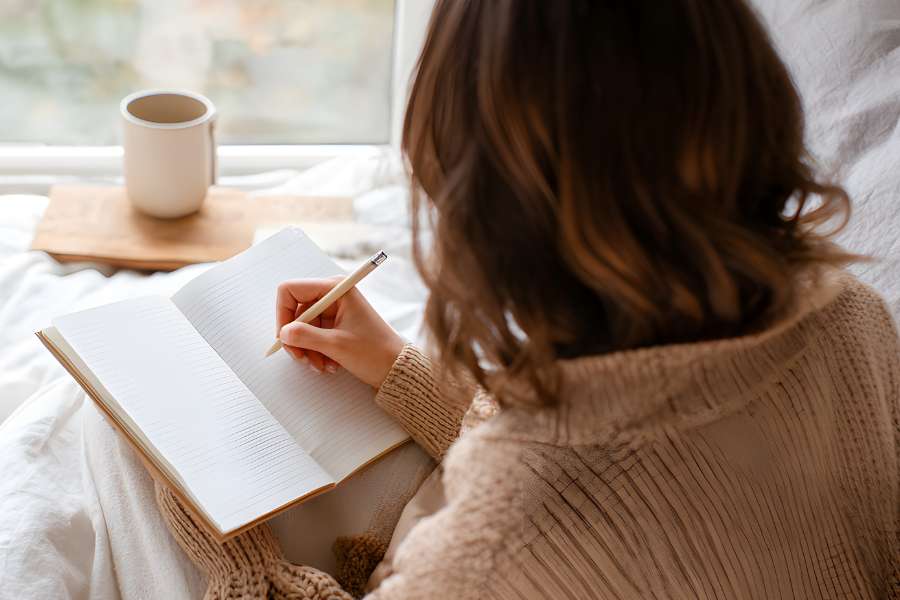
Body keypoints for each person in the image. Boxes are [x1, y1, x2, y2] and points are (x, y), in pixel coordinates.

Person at [155, 1, 900, 597]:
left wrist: (241, 564)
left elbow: (577, 501)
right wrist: (401, 371)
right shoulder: (852, 314)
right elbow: (642, 459)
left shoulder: (490, 555)